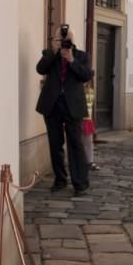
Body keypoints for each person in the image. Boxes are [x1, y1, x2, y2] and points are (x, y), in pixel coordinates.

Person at [35, 25, 93, 196]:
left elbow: (86, 76)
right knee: (55, 144)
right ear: (55, 40)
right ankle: (60, 179)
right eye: (61, 39)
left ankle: (80, 184)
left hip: (73, 105)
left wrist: (71, 60)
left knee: (76, 143)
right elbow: (40, 69)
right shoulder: (49, 54)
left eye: (67, 40)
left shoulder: (81, 56)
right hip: (52, 105)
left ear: (73, 40)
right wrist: (53, 51)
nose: (64, 42)